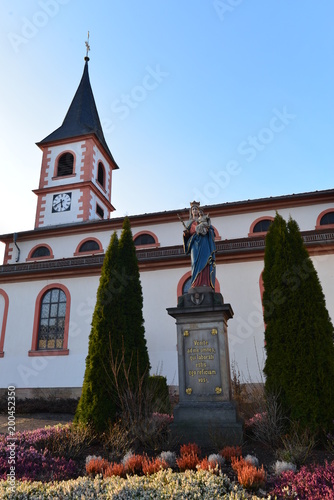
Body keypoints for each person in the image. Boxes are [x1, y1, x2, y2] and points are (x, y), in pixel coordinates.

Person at [183, 201, 216, 290]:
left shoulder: (204, 220)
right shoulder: (189, 223)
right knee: (195, 263)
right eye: (193, 209)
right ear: (191, 211)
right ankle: (195, 284)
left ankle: (205, 283)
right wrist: (186, 234)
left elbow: (212, 231)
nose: (194, 210)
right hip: (194, 244)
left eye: (196, 209)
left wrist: (208, 229)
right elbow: (187, 235)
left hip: (204, 242)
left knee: (206, 262)